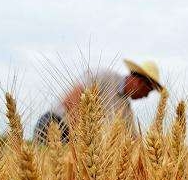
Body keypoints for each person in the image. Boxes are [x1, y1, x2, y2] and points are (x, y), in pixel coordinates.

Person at [33, 59, 163, 144]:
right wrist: (86, 141)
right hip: (54, 125)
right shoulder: (103, 76)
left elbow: (133, 140)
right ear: (140, 83)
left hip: (80, 143)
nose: (146, 97)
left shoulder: (126, 108)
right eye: (148, 91)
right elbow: (71, 101)